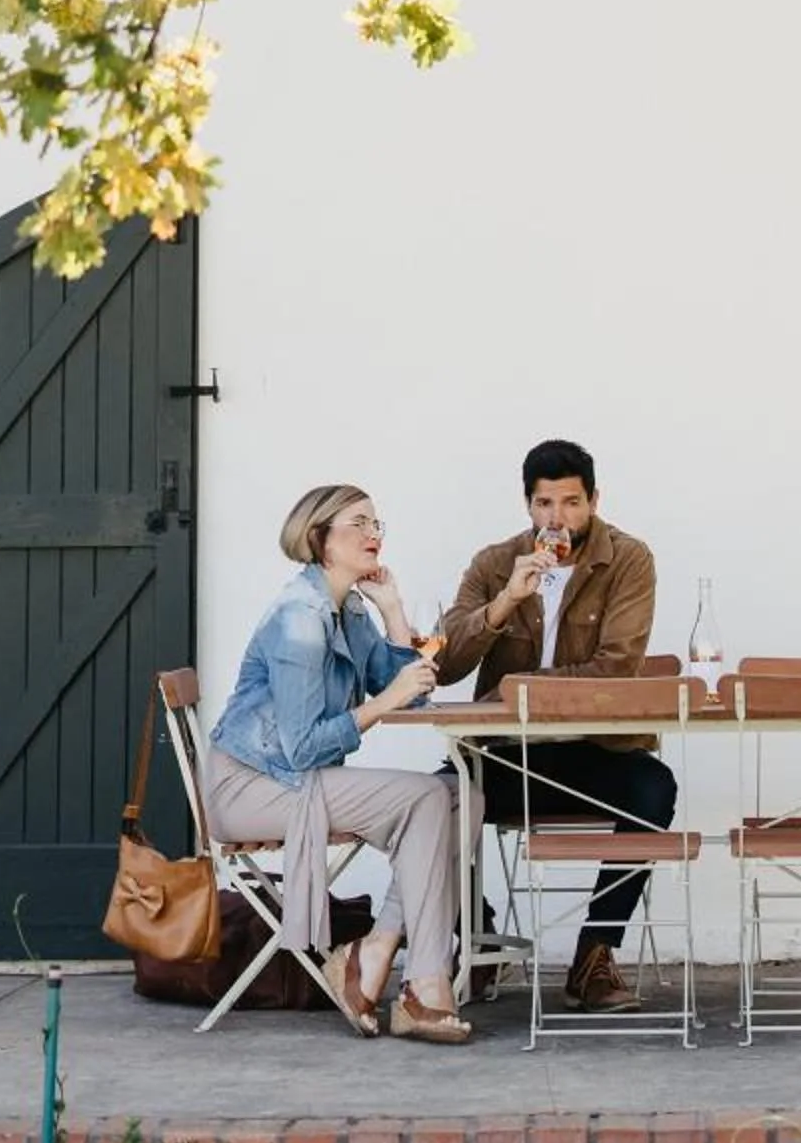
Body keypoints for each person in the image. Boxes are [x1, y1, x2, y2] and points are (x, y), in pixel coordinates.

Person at [207, 482, 471, 1042]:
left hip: (297, 779)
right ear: (319, 538)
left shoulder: (348, 607)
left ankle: (373, 954)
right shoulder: (300, 619)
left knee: (461, 796)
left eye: (378, 524)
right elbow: (304, 747)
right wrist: (382, 703)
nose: (374, 534)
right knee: (428, 797)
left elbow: (412, 693)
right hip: (255, 786)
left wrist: (394, 609)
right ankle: (425, 985)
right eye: (359, 523)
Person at [438, 437, 672, 1014]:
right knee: (434, 802)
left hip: (597, 747)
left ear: (593, 500)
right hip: (506, 753)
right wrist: (504, 603)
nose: (557, 518)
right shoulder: (494, 564)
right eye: (545, 504)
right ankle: (480, 942)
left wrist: (515, 691)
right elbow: (443, 664)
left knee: (653, 789)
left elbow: (616, 666)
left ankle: (595, 957)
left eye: (570, 503)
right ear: (527, 505)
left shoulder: (629, 559)